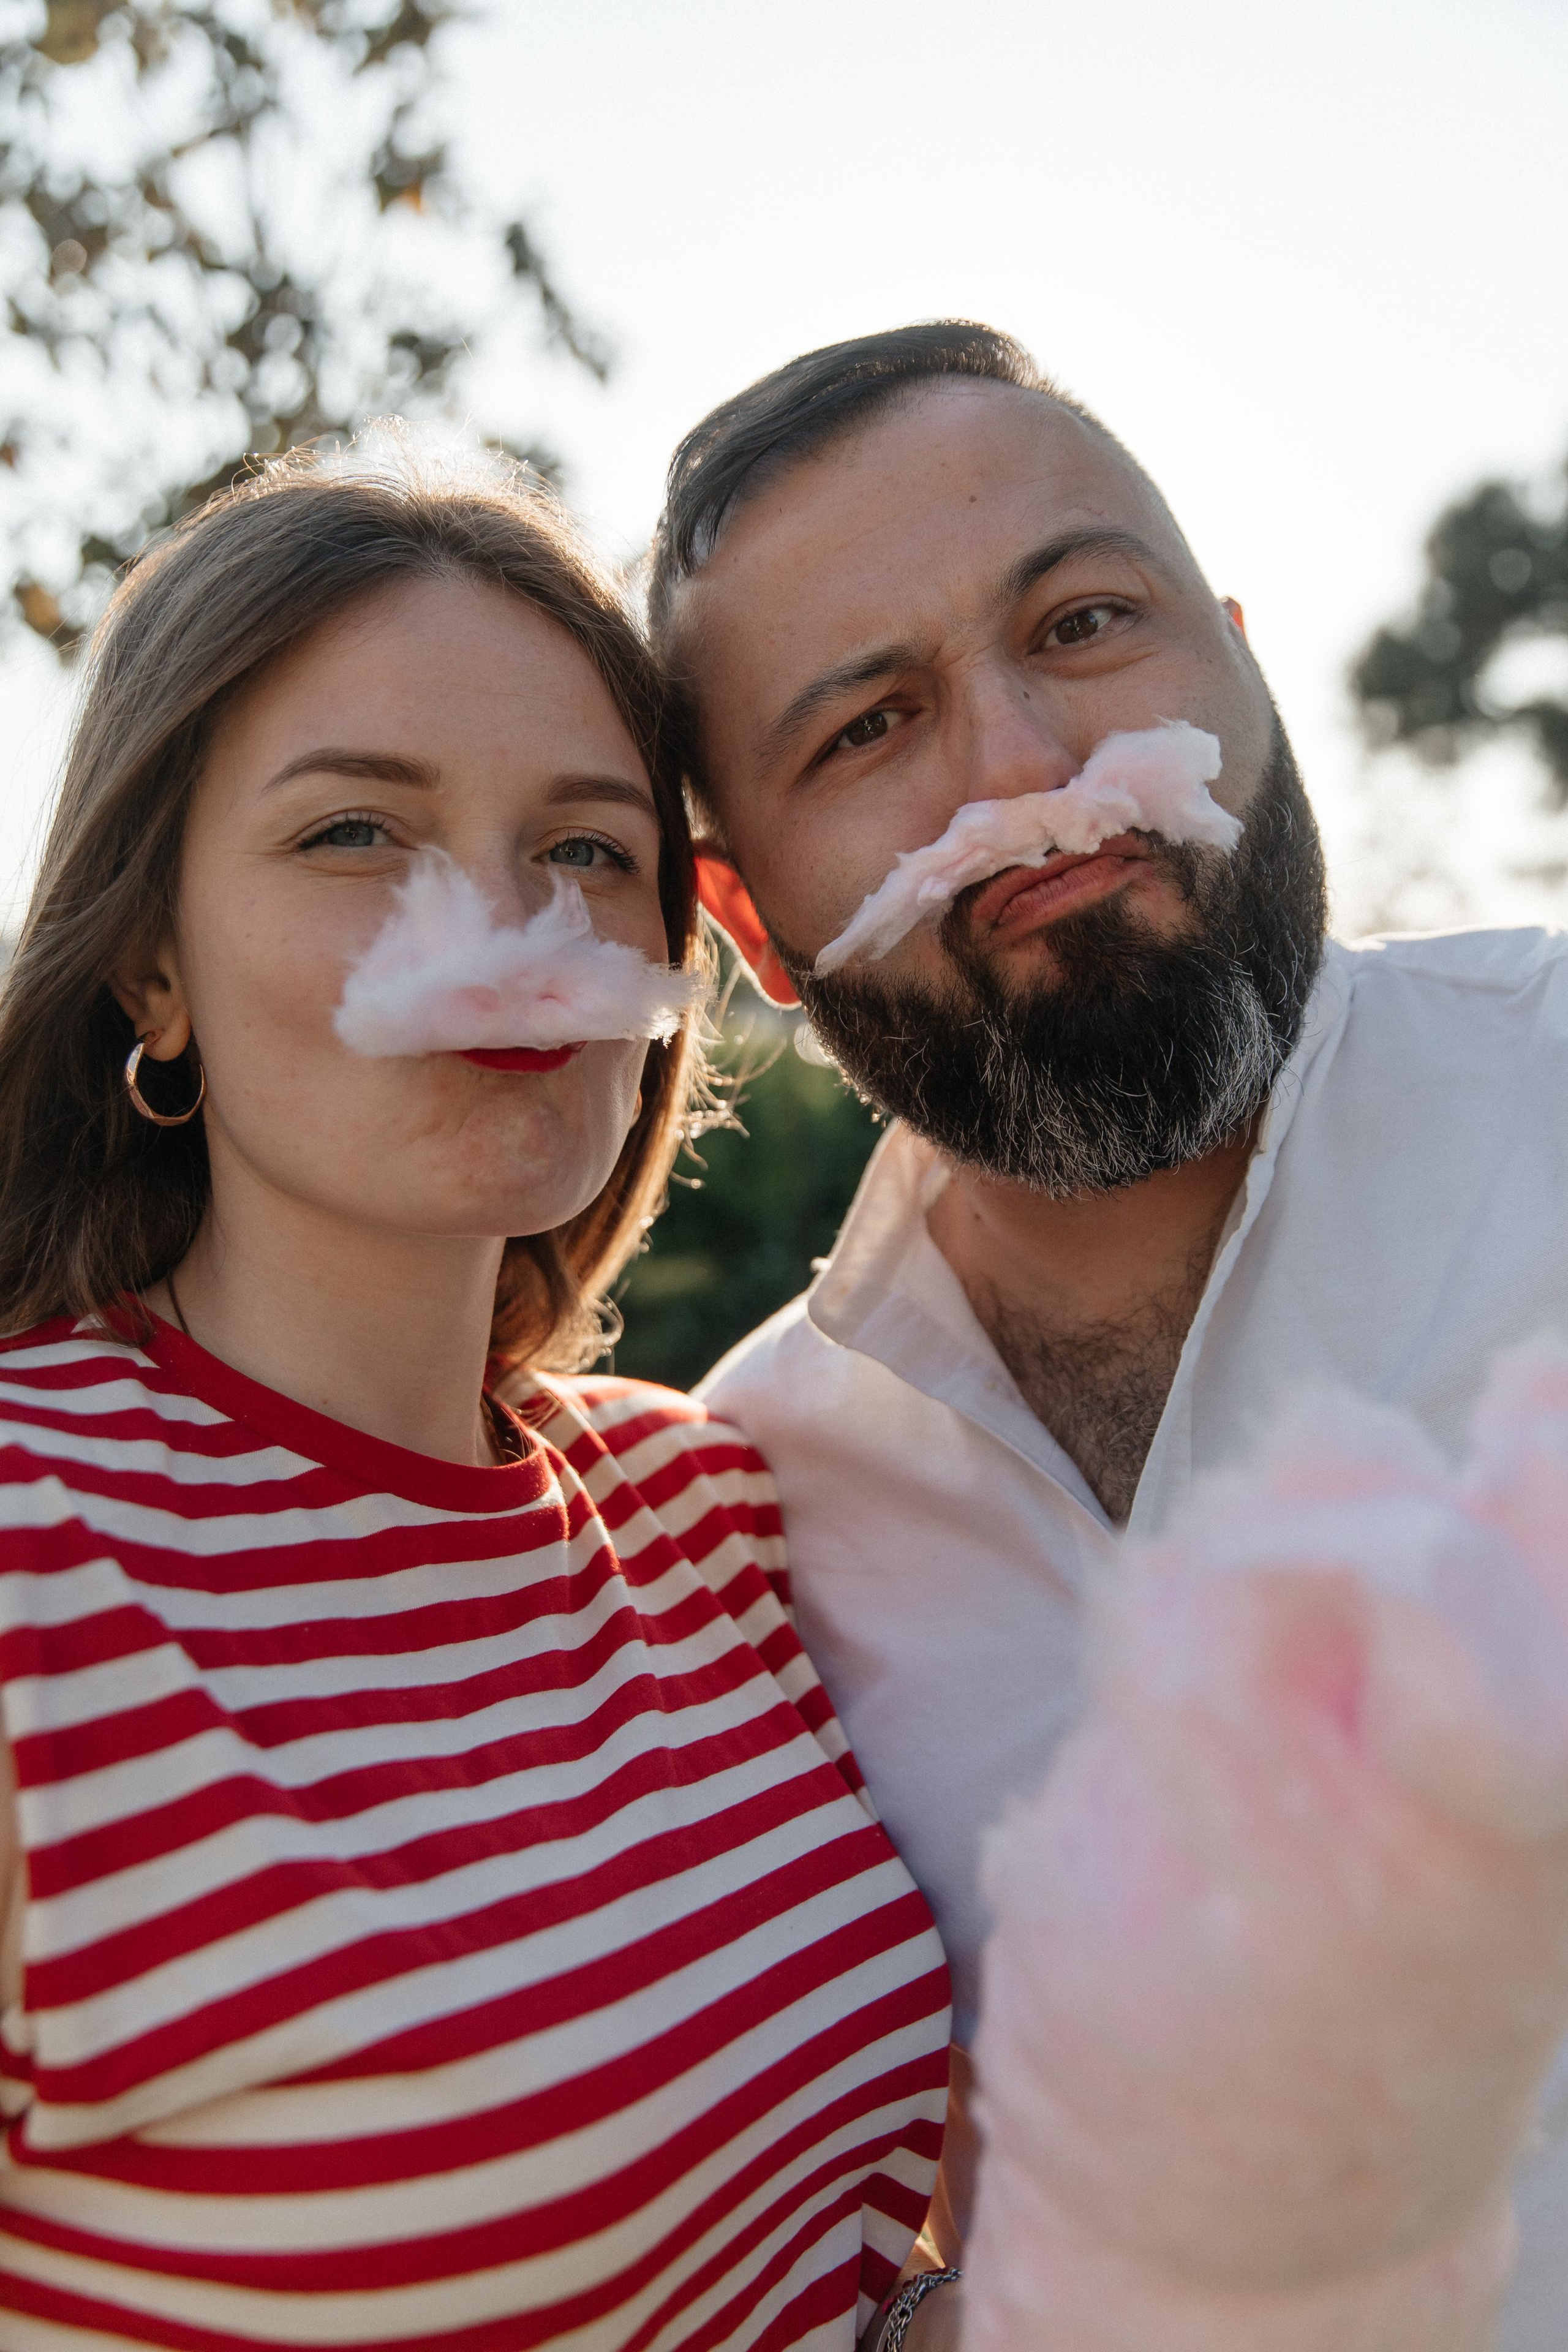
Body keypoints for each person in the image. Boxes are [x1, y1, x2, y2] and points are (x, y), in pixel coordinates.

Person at [648, 322, 1568, 2352]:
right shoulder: (736, 1518)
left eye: (1082, 624)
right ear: (745, 920)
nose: (1023, 768)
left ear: (1239, 659)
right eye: (868, 728)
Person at [0, 440, 951, 2351]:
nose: (506, 935)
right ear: (152, 968)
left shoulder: (715, 1515)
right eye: (357, 833)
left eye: (590, 852)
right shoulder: (30, 1562)